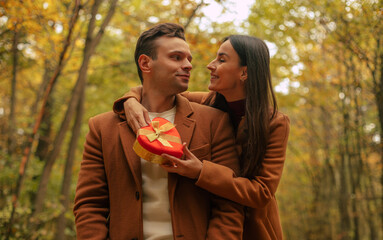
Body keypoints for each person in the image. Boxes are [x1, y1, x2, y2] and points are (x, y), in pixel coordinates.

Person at [73, 23, 244, 240]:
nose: (188, 65)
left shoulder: (214, 122)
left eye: (189, 59)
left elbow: (228, 204)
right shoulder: (102, 128)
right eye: (176, 57)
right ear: (145, 63)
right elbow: (90, 204)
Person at [113, 35, 290, 239]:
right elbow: (155, 91)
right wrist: (131, 100)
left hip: (254, 230)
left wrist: (201, 172)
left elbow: (262, 193)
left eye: (221, 60)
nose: (210, 65)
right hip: (208, 225)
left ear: (244, 72)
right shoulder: (202, 103)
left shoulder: (274, 123)